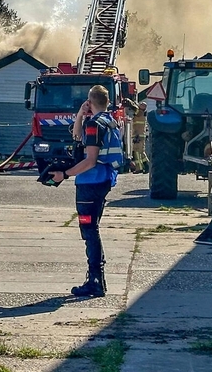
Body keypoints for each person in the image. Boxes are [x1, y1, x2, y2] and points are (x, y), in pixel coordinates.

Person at [50, 85, 124, 297]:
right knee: (92, 229)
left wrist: (64, 174)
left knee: (90, 231)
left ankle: (95, 281)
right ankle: (96, 279)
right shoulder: (109, 121)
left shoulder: (95, 124)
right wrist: (81, 115)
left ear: (90, 102)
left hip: (91, 183)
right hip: (103, 180)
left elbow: (90, 161)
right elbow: (77, 136)